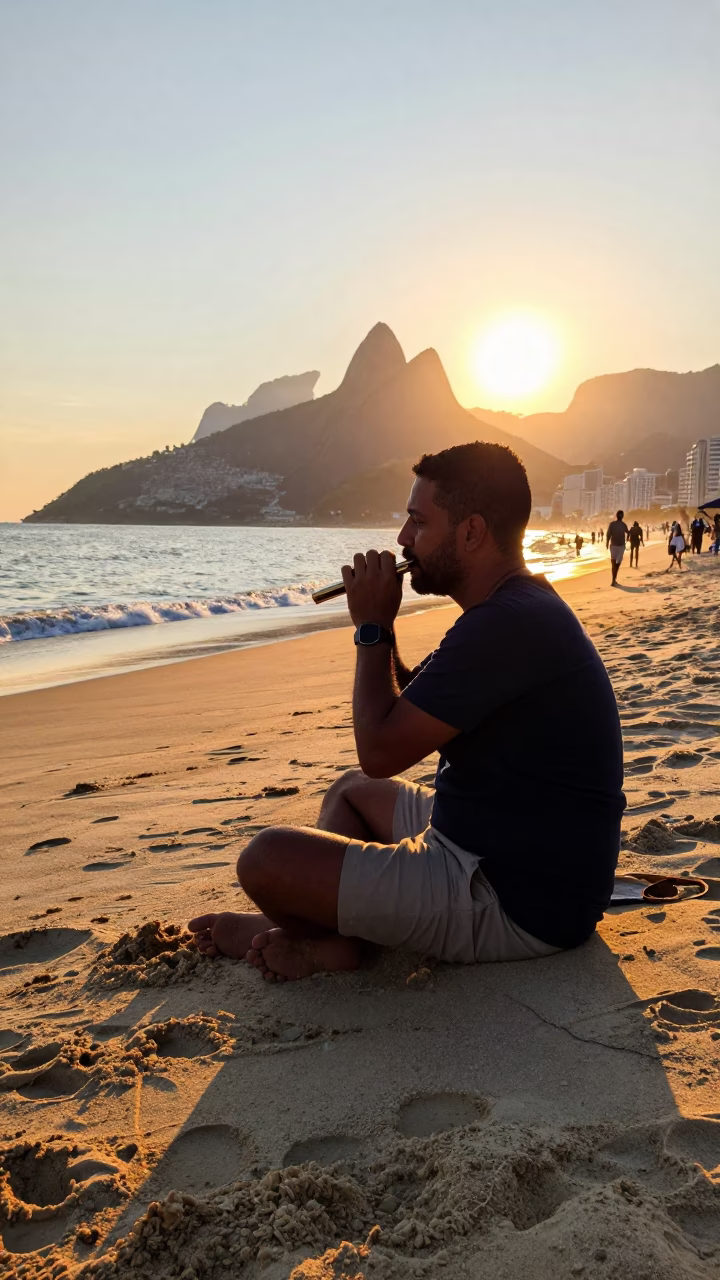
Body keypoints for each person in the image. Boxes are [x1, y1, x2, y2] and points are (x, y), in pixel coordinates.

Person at [188, 442, 626, 981]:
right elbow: (402, 716)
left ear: (470, 532)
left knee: (265, 858)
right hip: (494, 845)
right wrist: (384, 624)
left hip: (515, 899)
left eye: (418, 521)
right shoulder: (515, 609)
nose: (402, 539)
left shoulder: (505, 626)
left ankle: (322, 938)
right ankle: (327, 933)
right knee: (350, 792)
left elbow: (380, 749)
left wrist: (370, 628)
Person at [606, 509, 629, 585]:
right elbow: (628, 532)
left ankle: (613, 579)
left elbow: (608, 534)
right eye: (620, 515)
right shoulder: (621, 525)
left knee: (615, 563)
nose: (620, 516)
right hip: (618, 546)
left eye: (621, 515)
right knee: (616, 563)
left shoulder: (614, 524)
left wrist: (607, 542)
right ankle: (613, 579)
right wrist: (628, 537)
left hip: (616, 546)